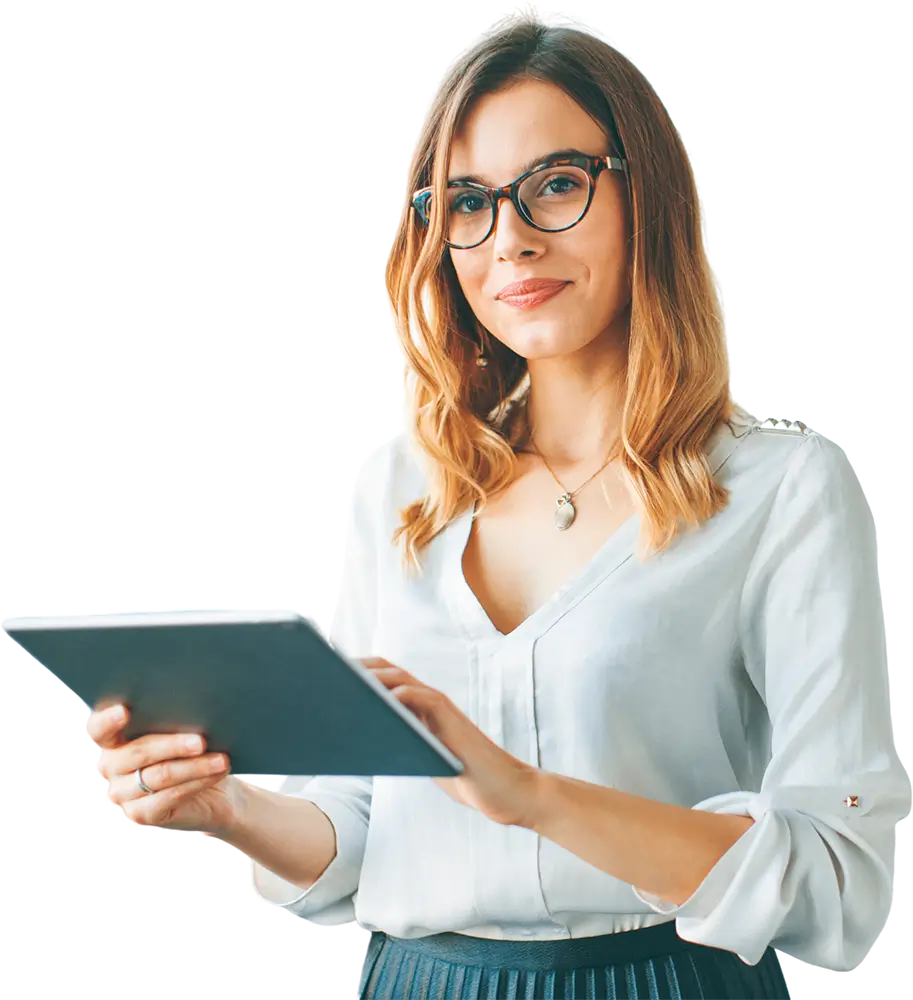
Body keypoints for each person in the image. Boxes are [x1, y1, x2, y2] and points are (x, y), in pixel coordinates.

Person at [90, 10, 911, 1000]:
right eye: (470, 203)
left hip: (667, 982)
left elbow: (837, 876)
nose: (510, 241)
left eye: (555, 185)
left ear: (641, 194)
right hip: (419, 981)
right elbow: (358, 835)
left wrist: (530, 797)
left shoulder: (781, 491)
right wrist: (227, 809)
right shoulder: (399, 490)